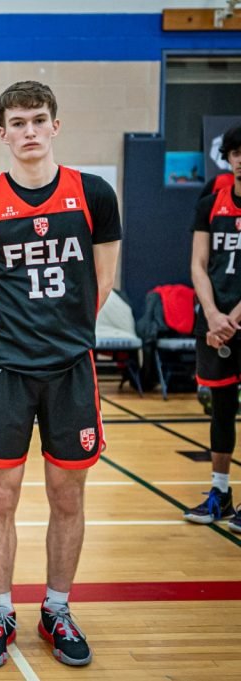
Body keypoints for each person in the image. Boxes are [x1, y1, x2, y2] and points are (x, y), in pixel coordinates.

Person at [0, 81, 121, 668]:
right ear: (3, 133)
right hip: (6, 369)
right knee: (0, 496)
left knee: (66, 493)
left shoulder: (93, 194)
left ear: (55, 125)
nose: (29, 131)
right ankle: (0, 612)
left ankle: (57, 609)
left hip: (72, 369)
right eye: (18, 123)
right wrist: (5, 341)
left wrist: (64, 335)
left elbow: (103, 280)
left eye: (38, 120)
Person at [185, 123, 241, 533]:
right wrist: (212, 314)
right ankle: (219, 492)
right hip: (215, 323)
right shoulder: (210, 204)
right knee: (220, 409)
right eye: (237, 153)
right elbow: (198, 265)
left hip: (231, 320)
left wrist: (232, 317)